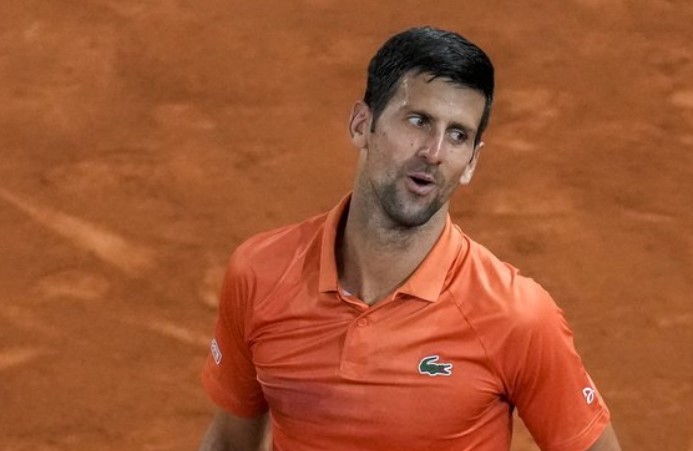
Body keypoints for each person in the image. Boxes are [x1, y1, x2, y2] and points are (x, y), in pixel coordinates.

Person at [198, 26, 621, 451]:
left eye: (458, 135)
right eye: (419, 121)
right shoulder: (261, 275)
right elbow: (230, 444)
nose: (434, 152)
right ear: (362, 124)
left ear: (471, 163)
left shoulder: (515, 316)